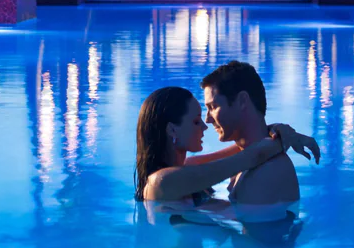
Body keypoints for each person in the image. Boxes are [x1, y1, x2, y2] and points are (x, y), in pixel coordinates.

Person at [134, 85, 318, 205]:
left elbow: (244, 147)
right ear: (172, 130)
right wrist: (286, 139)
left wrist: (275, 129)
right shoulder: (162, 182)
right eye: (196, 121)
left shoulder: (187, 168)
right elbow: (251, 156)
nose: (205, 126)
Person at [200, 61, 313, 206]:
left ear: (242, 101)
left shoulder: (266, 173)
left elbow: (259, 229)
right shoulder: (247, 160)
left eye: (213, 107)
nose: (208, 119)